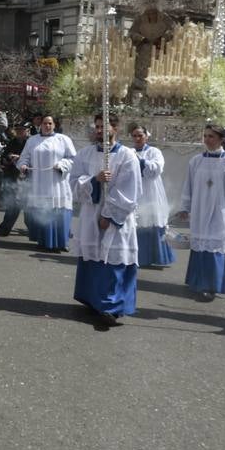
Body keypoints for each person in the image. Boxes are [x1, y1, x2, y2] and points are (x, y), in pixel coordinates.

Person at [71, 114, 141, 325]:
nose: (100, 130)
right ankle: (94, 300)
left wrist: (109, 216)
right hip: (90, 214)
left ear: (116, 128)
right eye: (98, 127)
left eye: (105, 126)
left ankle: (112, 306)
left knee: (113, 258)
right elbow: (73, 184)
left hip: (116, 218)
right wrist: (94, 180)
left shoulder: (127, 156)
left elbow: (131, 191)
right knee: (93, 256)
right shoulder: (84, 154)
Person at [173, 124, 225, 301]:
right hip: (200, 210)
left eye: (211, 136)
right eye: (205, 136)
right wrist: (184, 208)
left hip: (221, 212)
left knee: (216, 247)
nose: (207, 139)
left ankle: (211, 286)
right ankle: (196, 281)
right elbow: (188, 186)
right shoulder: (196, 161)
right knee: (200, 245)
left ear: (221, 139)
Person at [17, 115, 77, 252]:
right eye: (45, 123)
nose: (47, 126)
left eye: (50, 123)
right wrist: (23, 166)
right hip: (38, 184)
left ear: (55, 125)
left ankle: (61, 242)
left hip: (57, 184)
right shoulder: (32, 140)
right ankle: (43, 241)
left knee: (58, 211)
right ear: (40, 125)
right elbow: (24, 158)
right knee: (41, 211)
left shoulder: (63, 139)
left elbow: (73, 158)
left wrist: (62, 165)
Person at [129, 124, 176, 269]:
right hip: (134, 189)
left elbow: (156, 168)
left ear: (146, 136)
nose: (137, 138)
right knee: (136, 221)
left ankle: (157, 256)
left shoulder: (154, 151)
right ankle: (137, 257)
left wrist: (140, 161)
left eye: (140, 135)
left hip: (151, 190)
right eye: (134, 135)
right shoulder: (128, 151)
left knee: (151, 219)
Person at [0, 123, 28, 237]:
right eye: (18, 130)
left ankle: (33, 230)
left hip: (25, 177)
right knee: (13, 203)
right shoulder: (12, 141)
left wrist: (20, 158)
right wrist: (9, 158)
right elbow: (4, 156)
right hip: (12, 175)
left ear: (27, 130)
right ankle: (5, 227)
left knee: (27, 206)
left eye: (22, 130)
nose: (19, 132)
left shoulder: (31, 142)